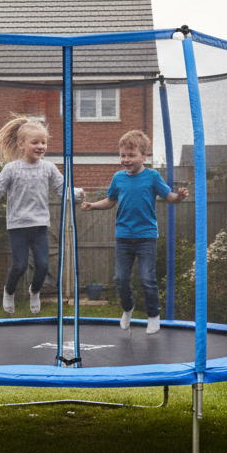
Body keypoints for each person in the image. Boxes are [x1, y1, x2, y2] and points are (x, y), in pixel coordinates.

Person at [0, 115, 80, 315]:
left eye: (44, 142)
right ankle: (9, 291)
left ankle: (34, 291)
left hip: (39, 226)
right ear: (21, 144)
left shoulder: (48, 168)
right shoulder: (11, 169)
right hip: (18, 226)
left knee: (43, 266)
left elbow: (62, 188)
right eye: (35, 142)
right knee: (19, 266)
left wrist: (77, 193)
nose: (41, 146)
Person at [80, 129, 188, 334]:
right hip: (123, 236)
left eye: (131, 155)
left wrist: (179, 197)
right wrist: (93, 205)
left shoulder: (153, 176)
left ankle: (153, 315)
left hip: (146, 236)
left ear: (144, 155)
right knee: (120, 279)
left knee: (147, 278)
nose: (126, 160)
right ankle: (128, 309)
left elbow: (169, 197)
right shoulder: (118, 178)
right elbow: (110, 201)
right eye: (123, 155)